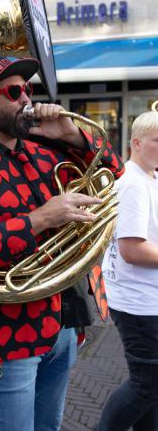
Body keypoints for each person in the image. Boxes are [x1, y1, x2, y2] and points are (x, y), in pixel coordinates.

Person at [0, 56, 124, 431]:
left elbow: (114, 174)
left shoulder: (44, 150)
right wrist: (40, 220)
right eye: (14, 92)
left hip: (63, 324)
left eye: (28, 90)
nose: (26, 101)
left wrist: (69, 135)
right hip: (7, 335)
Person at [97, 111, 158, 431]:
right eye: (157, 140)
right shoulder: (133, 183)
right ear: (136, 143)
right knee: (146, 385)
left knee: (152, 388)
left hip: (144, 298)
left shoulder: (148, 177)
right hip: (140, 303)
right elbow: (132, 250)